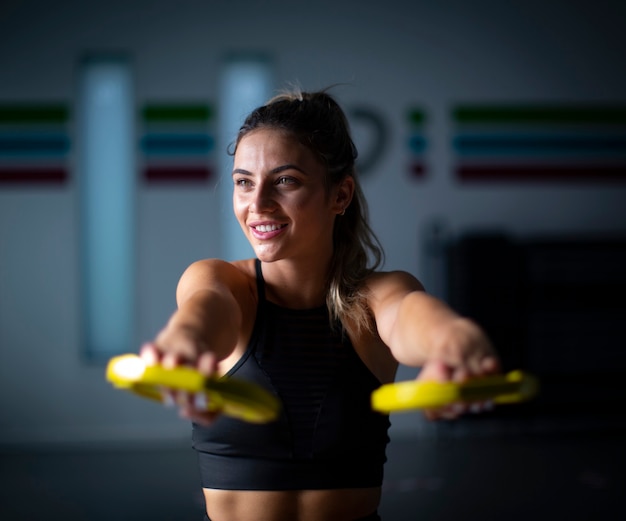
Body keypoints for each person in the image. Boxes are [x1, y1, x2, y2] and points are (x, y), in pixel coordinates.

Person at [141, 88, 500, 521]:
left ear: (340, 196)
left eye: (286, 181)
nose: (257, 205)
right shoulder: (221, 281)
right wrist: (181, 341)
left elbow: (409, 315)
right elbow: (204, 313)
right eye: (243, 182)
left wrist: (453, 338)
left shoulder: (375, 296)